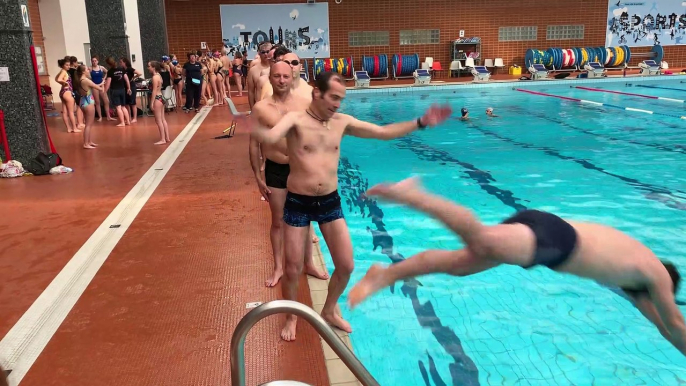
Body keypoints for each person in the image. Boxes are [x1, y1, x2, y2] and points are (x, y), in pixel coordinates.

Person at [347, 177, 686, 355]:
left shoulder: (638, 271)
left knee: (459, 264)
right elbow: (674, 324)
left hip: (550, 235)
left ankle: (385, 274)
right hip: (557, 241)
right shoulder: (653, 273)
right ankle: (412, 194)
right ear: (664, 285)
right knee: (479, 239)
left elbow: (663, 328)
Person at [248, 72, 452, 341]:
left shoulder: (342, 122)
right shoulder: (295, 120)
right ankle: (291, 316)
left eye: (341, 99)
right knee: (292, 267)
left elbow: (382, 132)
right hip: (298, 203)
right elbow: (272, 135)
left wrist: (420, 122)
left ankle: (329, 310)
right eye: (334, 97)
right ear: (317, 93)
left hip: (329, 202)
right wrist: (252, 127)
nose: (337, 104)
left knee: (345, 265)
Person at [249, 61, 328, 287]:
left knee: (305, 219)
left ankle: (309, 264)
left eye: (286, 76)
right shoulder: (261, 109)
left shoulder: (305, 105)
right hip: (275, 170)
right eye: (277, 76)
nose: (281, 80)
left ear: (292, 77)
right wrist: (257, 175)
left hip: (300, 168)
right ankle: (278, 268)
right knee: (278, 221)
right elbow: (254, 145)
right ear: (270, 78)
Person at [73, 64, 102, 149]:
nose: (88, 70)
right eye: (87, 69)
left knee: (88, 124)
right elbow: (98, 87)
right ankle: (86, 143)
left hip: (83, 101)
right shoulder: (85, 80)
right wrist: (102, 84)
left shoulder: (80, 80)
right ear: (83, 71)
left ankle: (89, 141)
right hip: (88, 103)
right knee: (88, 124)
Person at [148, 61, 171, 145]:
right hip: (161, 97)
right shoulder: (159, 76)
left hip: (157, 98)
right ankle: (167, 137)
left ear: (153, 67)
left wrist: (151, 102)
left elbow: (154, 91)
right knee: (163, 119)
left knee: (158, 120)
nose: (148, 68)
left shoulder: (154, 77)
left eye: (149, 66)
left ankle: (162, 139)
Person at [104, 56, 131, 127]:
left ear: (108, 64)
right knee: (123, 107)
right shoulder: (121, 69)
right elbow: (127, 79)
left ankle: (122, 122)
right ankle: (128, 121)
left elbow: (108, 83)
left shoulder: (110, 72)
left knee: (118, 107)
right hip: (122, 90)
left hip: (115, 91)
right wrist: (128, 88)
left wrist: (104, 91)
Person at [55, 57, 79, 133]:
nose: (68, 66)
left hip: (62, 91)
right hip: (67, 91)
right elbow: (58, 79)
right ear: (63, 65)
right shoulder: (64, 72)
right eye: (67, 65)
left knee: (65, 111)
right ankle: (74, 128)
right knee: (71, 112)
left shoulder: (62, 71)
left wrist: (63, 83)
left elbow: (56, 79)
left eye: (69, 65)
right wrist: (65, 83)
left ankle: (69, 128)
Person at [247, 41, 273, 109]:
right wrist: (253, 110)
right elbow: (251, 92)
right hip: (260, 106)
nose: (266, 54)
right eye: (263, 52)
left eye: (268, 51)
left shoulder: (277, 67)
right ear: (259, 53)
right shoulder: (253, 71)